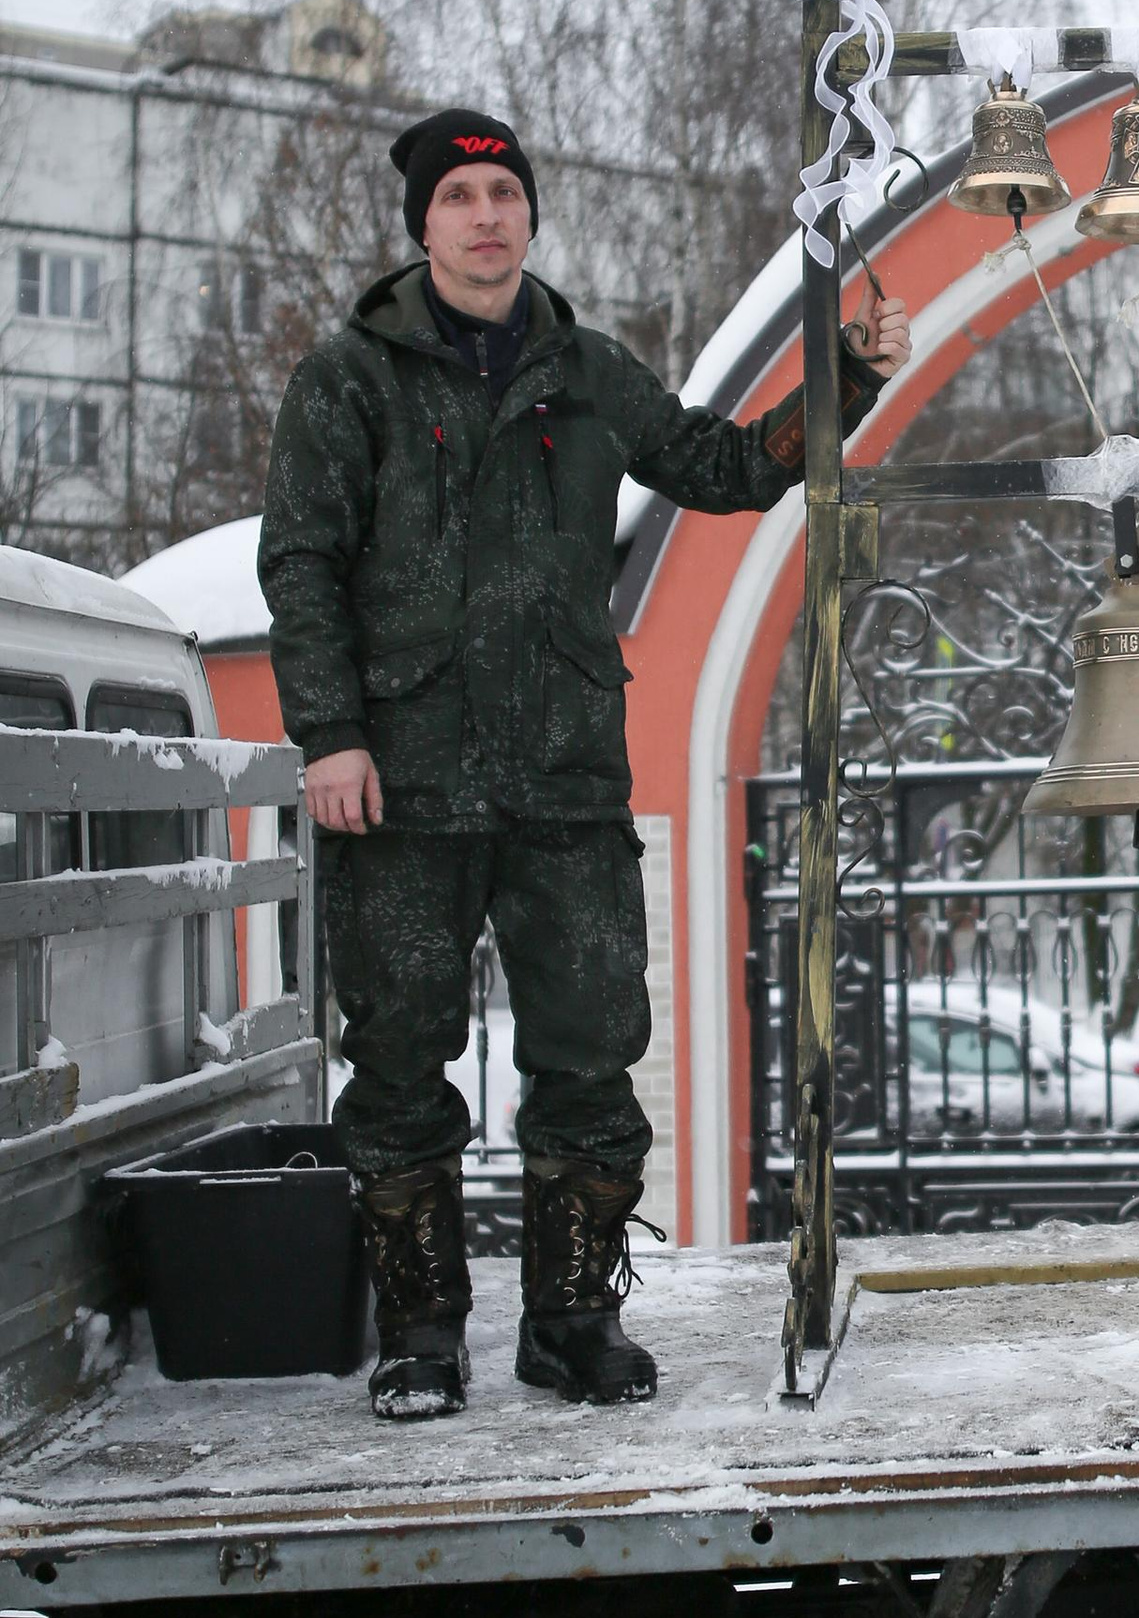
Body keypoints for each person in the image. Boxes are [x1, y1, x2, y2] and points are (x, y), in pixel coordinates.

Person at [260, 107, 910, 1420]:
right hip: (403, 775)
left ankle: (569, 1324)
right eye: (460, 197)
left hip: (564, 775)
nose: (486, 215)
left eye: (504, 193)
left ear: (530, 216)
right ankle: (422, 1339)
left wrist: (850, 372)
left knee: (590, 1057)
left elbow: (725, 468)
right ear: (424, 225)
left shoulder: (587, 371)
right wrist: (328, 734)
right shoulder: (351, 378)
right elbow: (303, 561)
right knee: (395, 1062)